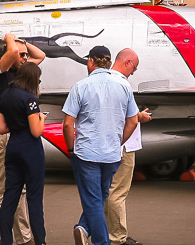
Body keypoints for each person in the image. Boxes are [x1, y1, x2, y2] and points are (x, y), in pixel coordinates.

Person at [63, 45, 139, 245]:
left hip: (87, 153)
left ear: (90, 61)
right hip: (112, 155)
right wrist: (118, 141)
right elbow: (133, 121)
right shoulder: (124, 86)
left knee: (93, 201)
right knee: (101, 197)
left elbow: (68, 123)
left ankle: (100, 241)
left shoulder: (80, 86)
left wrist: (71, 148)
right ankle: (83, 227)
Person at [0, 33, 46, 245]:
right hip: (9, 135)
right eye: (21, 55)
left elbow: (41, 56)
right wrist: (10, 37)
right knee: (3, 190)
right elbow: (12, 51)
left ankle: (21, 236)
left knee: (15, 191)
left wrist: (24, 42)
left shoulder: (17, 77)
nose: (24, 58)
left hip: (11, 134)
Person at [105, 49, 152, 245]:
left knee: (107, 191)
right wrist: (141, 116)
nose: (134, 71)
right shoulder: (123, 84)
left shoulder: (103, 80)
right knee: (118, 193)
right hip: (124, 145)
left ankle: (105, 232)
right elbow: (130, 118)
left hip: (108, 143)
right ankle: (117, 237)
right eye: (135, 67)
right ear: (128, 62)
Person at [0, 63, 48, 245]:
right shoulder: (30, 99)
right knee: (34, 198)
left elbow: (2, 128)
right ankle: (40, 241)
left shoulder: (4, 96)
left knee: (10, 197)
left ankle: (5, 241)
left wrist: (17, 123)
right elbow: (36, 131)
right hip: (30, 149)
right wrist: (41, 119)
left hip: (13, 147)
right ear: (32, 78)